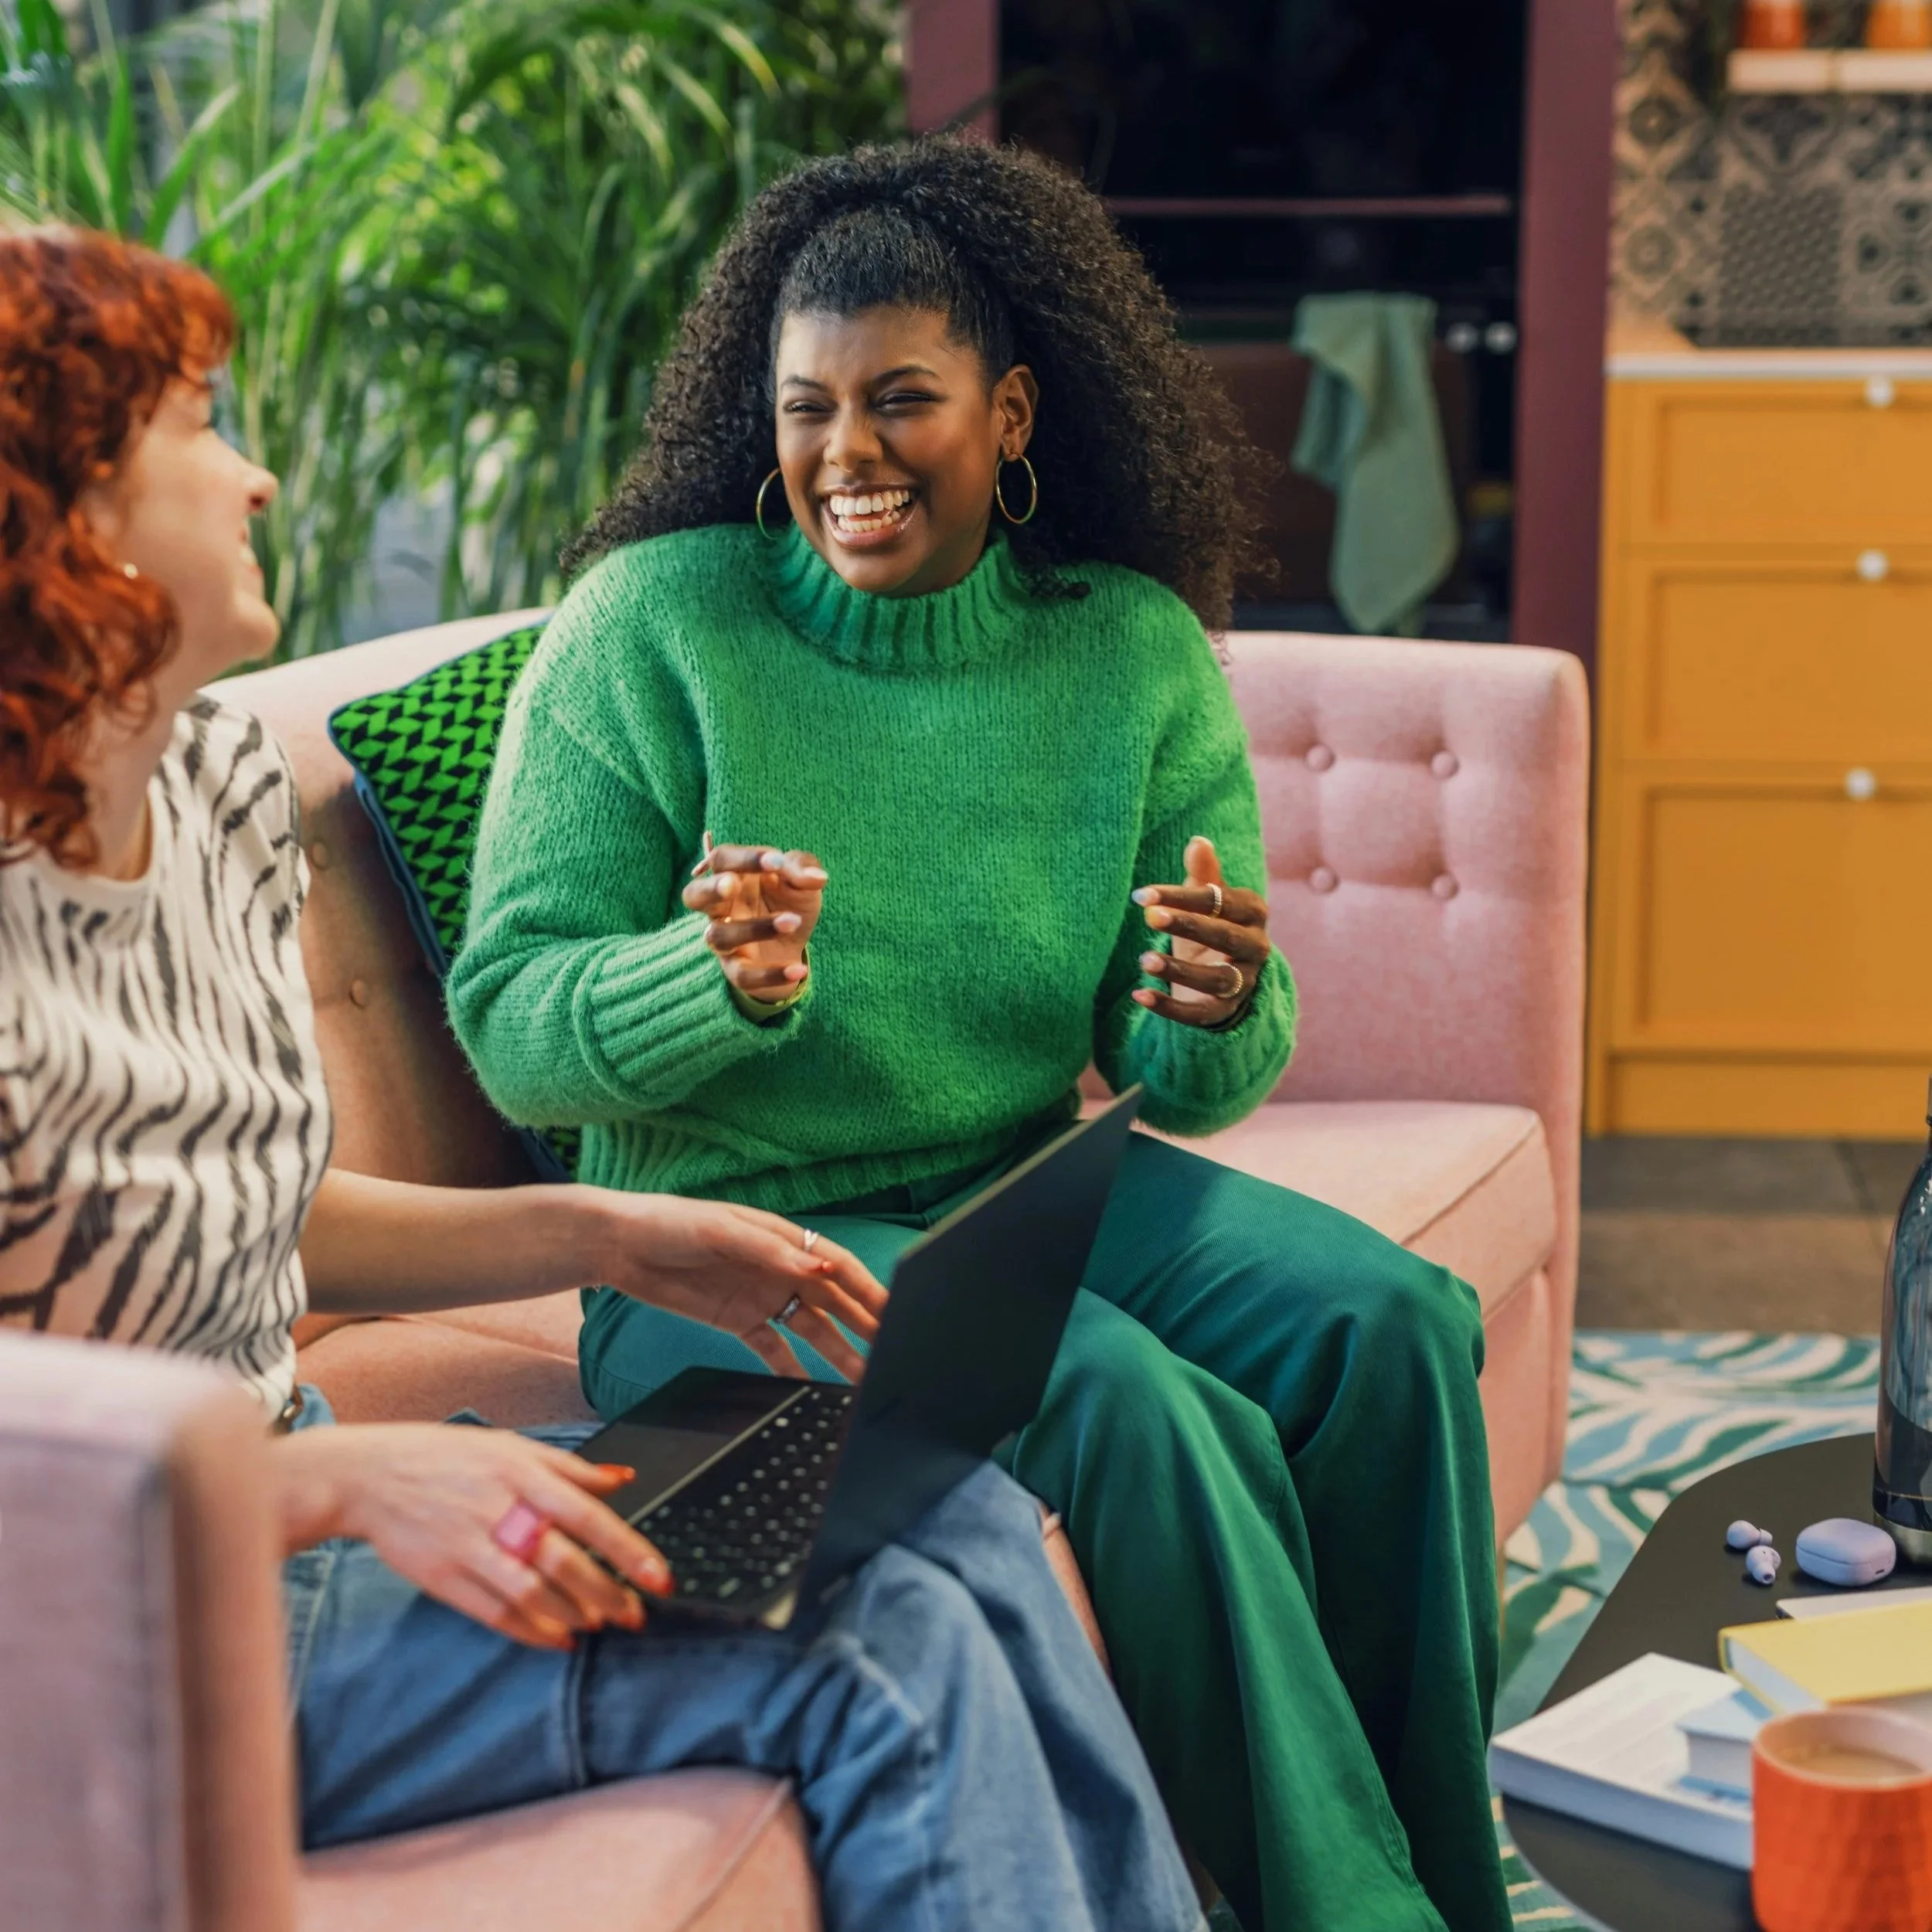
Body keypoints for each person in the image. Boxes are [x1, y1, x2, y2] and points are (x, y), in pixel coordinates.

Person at [0, 225, 1209, 1932]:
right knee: (878, 1645)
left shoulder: (211, 791)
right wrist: (335, 1481)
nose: (257, 475)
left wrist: (615, 1234)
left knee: (963, 1514)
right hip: (99, 1638)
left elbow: (257, 1215)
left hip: (287, 1514)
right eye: (197, 428)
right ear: (60, 517)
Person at [450, 136, 1512, 1932]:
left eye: (900, 400)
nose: (844, 453)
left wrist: (1208, 1005)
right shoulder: (651, 625)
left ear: (1007, 413)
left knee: (1387, 1319)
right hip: (718, 1252)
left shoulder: (1127, 651)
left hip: (1017, 1192)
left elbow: (1186, 1066)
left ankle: (1446, 1878)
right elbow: (509, 1027)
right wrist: (702, 979)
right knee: (1117, 1398)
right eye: (806, 407)